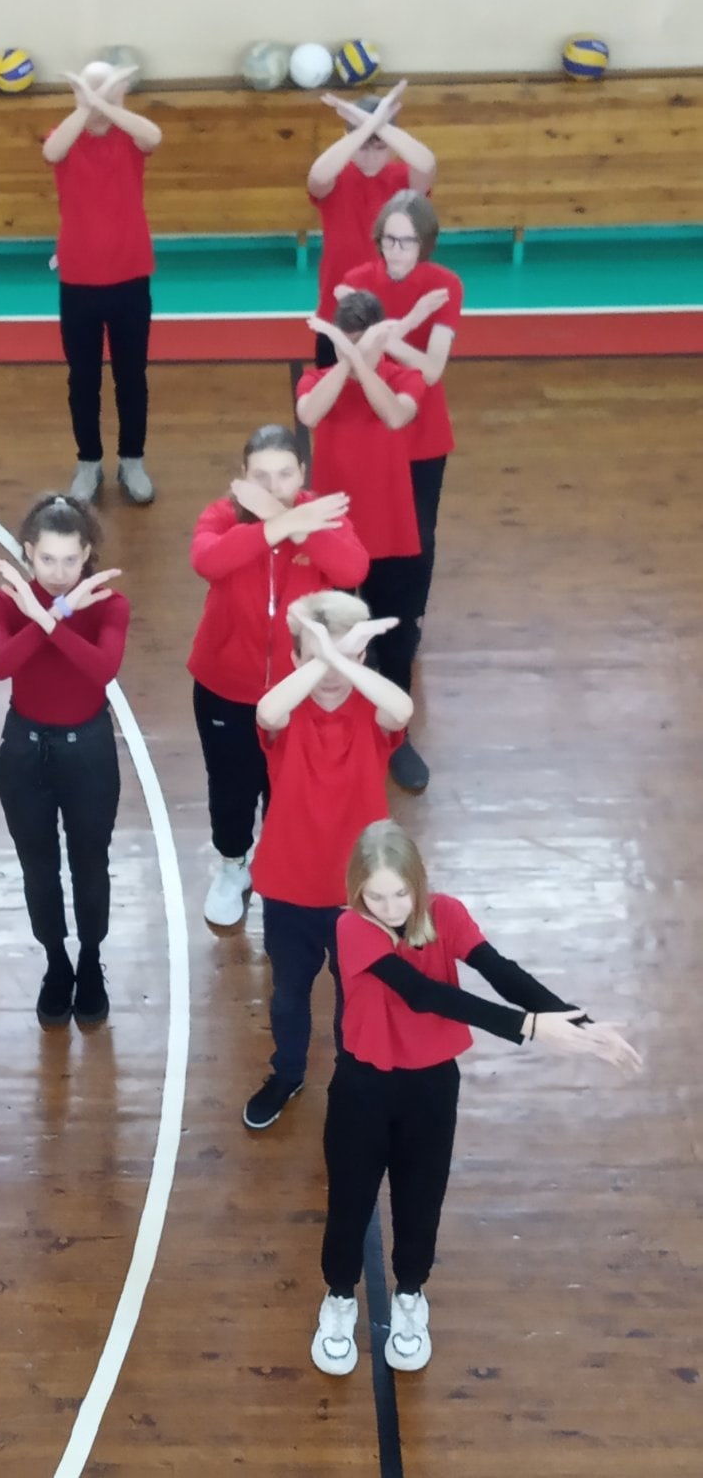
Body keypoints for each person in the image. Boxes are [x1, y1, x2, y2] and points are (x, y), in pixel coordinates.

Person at [311, 819, 641, 1378]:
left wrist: (581, 1025)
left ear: (418, 883)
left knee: (421, 1198)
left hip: (431, 1086)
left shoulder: (446, 914)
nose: (390, 908)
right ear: (357, 893)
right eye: (375, 896)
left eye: (400, 893)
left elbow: (501, 973)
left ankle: (410, 1295)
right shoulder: (351, 928)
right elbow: (423, 994)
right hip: (363, 1088)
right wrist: (529, 1029)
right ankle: (339, 1297)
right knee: (349, 1200)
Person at [188, 424, 368, 930]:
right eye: (261, 477)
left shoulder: (324, 517)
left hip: (300, 690)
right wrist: (278, 523)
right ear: (242, 477)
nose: (274, 487)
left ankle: (281, 867)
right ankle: (232, 866)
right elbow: (208, 560)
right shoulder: (221, 516)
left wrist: (303, 528)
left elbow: (352, 569)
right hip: (225, 688)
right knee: (230, 787)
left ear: (302, 473)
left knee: (290, 789)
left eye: (285, 474)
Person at [244, 592, 411, 1130]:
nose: (332, 674)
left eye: (348, 658)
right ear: (296, 659)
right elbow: (267, 712)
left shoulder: (373, 713)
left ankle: (352, 1078)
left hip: (359, 896)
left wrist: (334, 655)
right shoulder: (287, 710)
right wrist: (328, 655)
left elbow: (402, 710)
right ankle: (288, 1073)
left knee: (355, 997)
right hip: (289, 889)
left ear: (362, 658)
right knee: (288, 996)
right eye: (315, 658)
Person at [334, 190, 463, 790]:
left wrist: (383, 334)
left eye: (408, 241)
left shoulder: (446, 285)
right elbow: (345, 353)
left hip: (420, 441)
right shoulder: (358, 280)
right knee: (353, 557)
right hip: (364, 439)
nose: (397, 250)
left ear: (424, 243)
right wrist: (401, 332)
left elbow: (430, 371)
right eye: (389, 238)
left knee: (414, 553)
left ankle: (397, 694)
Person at [0, 495, 128, 1027]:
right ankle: (56, 961)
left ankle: (90, 959)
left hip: (88, 750)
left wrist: (49, 615)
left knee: (91, 865)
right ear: (28, 552)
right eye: (47, 559)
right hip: (25, 751)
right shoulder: (2, 603)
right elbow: (0, 664)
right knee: (38, 867)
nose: (60, 573)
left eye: (70, 560)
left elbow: (102, 669)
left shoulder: (109, 604)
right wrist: (51, 615)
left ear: (87, 553)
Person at [295, 293, 429, 793]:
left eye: (365, 343)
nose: (353, 353)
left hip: (391, 531)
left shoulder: (403, 378)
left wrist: (358, 358)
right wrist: (349, 359)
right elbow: (309, 414)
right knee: (331, 634)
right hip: (335, 535)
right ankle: (329, 727)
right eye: (344, 343)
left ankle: (397, 734)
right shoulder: (318, 380)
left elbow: (394, 416)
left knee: (394, 639)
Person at [43, 62, 162, 506]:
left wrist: (106, 102)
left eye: (109, 91)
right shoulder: (66, 138)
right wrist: (88, 103)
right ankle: (88, 461)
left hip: (130, 277)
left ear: (121, 94)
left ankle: (132, 459)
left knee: (131, 376)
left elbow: (154, 137)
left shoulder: (130, 137)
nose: (98, 102)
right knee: (83, 378)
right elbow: (51, 152)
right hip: (79, 282)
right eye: (90, 92)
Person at [306, 79, 437, 366]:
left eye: (379, 147)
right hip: (338, 313)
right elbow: (316, 176)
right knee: (333, 389)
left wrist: (374, 122)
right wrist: (368, 125)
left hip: (394, 315)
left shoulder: (403, 179)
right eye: (363, 146)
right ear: (349, 139)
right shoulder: (336, 179)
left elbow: (427, 164)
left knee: (391, 390)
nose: (371, 156)